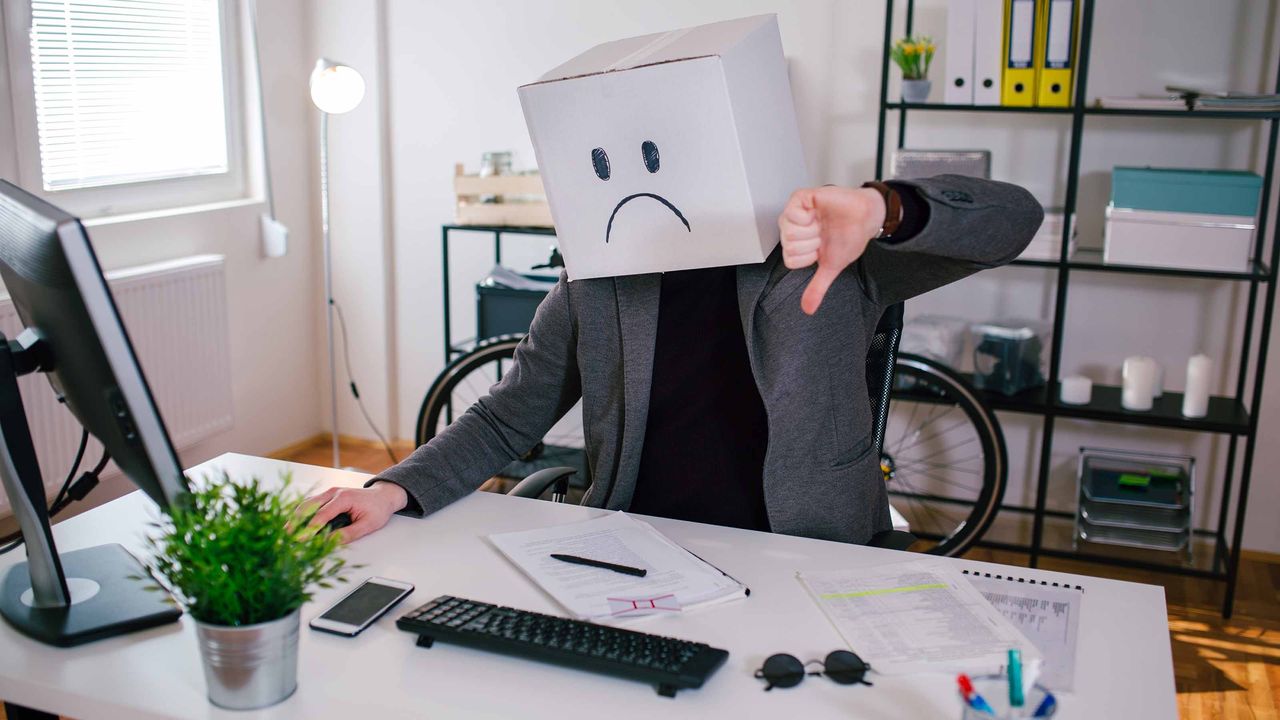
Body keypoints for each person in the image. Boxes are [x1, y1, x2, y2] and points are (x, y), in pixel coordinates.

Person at [307, 176, 1043, 544]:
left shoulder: (823, 251)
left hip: (806, 554)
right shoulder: (597, 278)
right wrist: (392, 490)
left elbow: (1015, 220)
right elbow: (506, 420)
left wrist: (885, 206)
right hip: (639, 553)